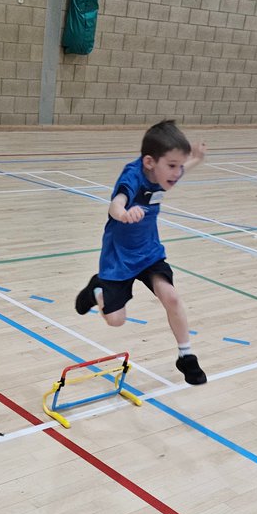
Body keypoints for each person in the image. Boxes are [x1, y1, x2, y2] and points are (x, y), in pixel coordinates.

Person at [75, 119, 207, 384]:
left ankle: (186, 356)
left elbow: (177, 170)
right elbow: (116, 203)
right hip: (118, 258)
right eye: (172, 166)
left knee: (170, 296)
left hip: (149, 253)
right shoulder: (132, 176)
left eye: (179, 166)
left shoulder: (162, 175)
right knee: (115, 321)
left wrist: (196, 160)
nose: (176, 172)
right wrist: (123, 214)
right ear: (149, 162)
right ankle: (96, 289)